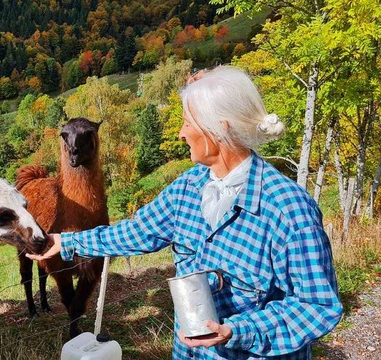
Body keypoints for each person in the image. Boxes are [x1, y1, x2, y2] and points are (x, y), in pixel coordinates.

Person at [27, 66, 343, 359]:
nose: (181, 133)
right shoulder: (188, 188)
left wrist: (239, 331)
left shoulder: (289, 211)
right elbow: (138, 232)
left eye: (188, 123)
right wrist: (66, 243)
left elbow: (317, 306)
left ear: (219, 129)